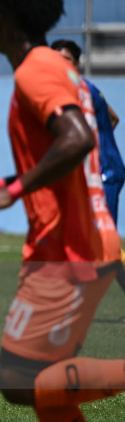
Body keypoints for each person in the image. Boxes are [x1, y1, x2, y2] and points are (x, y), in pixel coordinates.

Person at [0, 0, 125, 422]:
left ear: (3, 17)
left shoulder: (36, 70)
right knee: (48, 384)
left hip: (67, 249)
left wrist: (14, 190)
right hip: (78, 240)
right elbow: (58, 150)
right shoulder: (56, 68)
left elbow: (77, 139)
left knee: (19, 381)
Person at [50, 39, 125, 294]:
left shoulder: (78, 91)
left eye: (67, 59)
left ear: (77, 63)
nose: (61, 64)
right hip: (99, 169)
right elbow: (113, 118)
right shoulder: (86, 88)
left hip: (106, 172)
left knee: (104, 244)